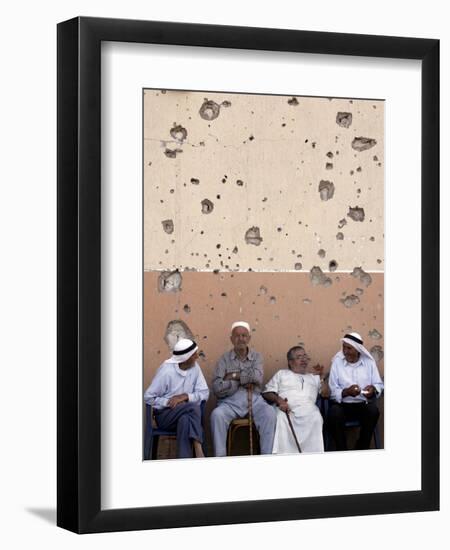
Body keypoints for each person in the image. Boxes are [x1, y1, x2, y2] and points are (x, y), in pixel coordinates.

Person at [210, 322, 276, 457]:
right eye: (237, 336)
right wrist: (242, 381)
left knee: (269, 413)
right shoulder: (223, 360)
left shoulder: (257, 357)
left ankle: (267, 458)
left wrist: (233, 376)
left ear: (249, 338)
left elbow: (257, 378)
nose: (241, 339)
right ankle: (219, 459)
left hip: (254, 401)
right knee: (217, 415)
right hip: (230, 402)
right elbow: (217, 388)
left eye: (244, 335)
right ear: (231, 339)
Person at [144, 338, 209, 458]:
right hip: (165, 416)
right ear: (186, 357)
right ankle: (198, 447)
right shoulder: (166, 371)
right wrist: (169, 402)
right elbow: (148, 397)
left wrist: (185, 397)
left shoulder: (195, 368)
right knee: (193, 407)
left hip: (186, 414)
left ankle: (184, 461)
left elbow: (204, 393)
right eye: (194, 354)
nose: (196, 357)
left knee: (185, 420)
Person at [262, 346, 328, 454]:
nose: (303, 359)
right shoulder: (282, 374)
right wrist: (279, 400)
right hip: (287, 410)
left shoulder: (314, 377)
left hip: (309, 411)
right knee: (280, 417)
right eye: (299, 357)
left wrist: (321, 377)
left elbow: (326, 394)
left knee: (316, 417)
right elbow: (267, 393)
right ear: (291, 362)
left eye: (305, 356)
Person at [327, 332, 384, 451]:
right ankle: (341, 451)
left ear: (358, 350)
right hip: (343, 405)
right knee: (334, 413)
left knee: (373, 411)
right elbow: (332, 391)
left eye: (349, 348)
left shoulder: (369, 362)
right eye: (344, 347)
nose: (345, 351)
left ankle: (362, 448)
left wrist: (372, 390)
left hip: (362, 405)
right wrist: (346, 392)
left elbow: (378, 384)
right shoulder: (337, 363)